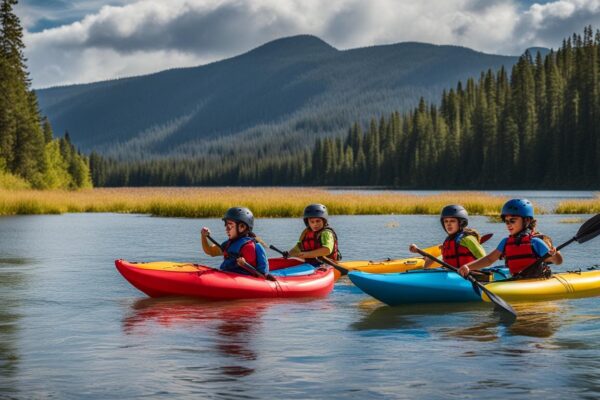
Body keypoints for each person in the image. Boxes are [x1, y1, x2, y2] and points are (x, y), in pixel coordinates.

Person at [458, 199, 563, 279]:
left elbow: (558, 261)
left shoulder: (535, 242)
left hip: (537, 280)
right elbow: (489, 260)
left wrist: (555, 254)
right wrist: (468, 267)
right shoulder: (505, 242)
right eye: (506, 221)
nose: (509, 225)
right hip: (515, 280)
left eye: (513, 221)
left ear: (526, 220)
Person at [409, 204, 486, 269]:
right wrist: (418, 251)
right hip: (450, 275)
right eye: (446, 221)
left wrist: (469, 269)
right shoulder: (448, 241)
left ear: (461, 223)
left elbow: (484, 259)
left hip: (469, 277)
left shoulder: (468, 239)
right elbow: (443, 259)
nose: (448, 224)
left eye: (452, 221)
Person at [201, 207, 269, 276]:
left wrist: (245, 265)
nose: (226, 229)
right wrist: (204, 236)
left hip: (245, 282)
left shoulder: (251, 247)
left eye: (230, 226)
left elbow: (262, 276)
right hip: (226, 276)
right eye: (226, 226)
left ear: (242, 227)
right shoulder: (228, 244)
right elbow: (210, 251)